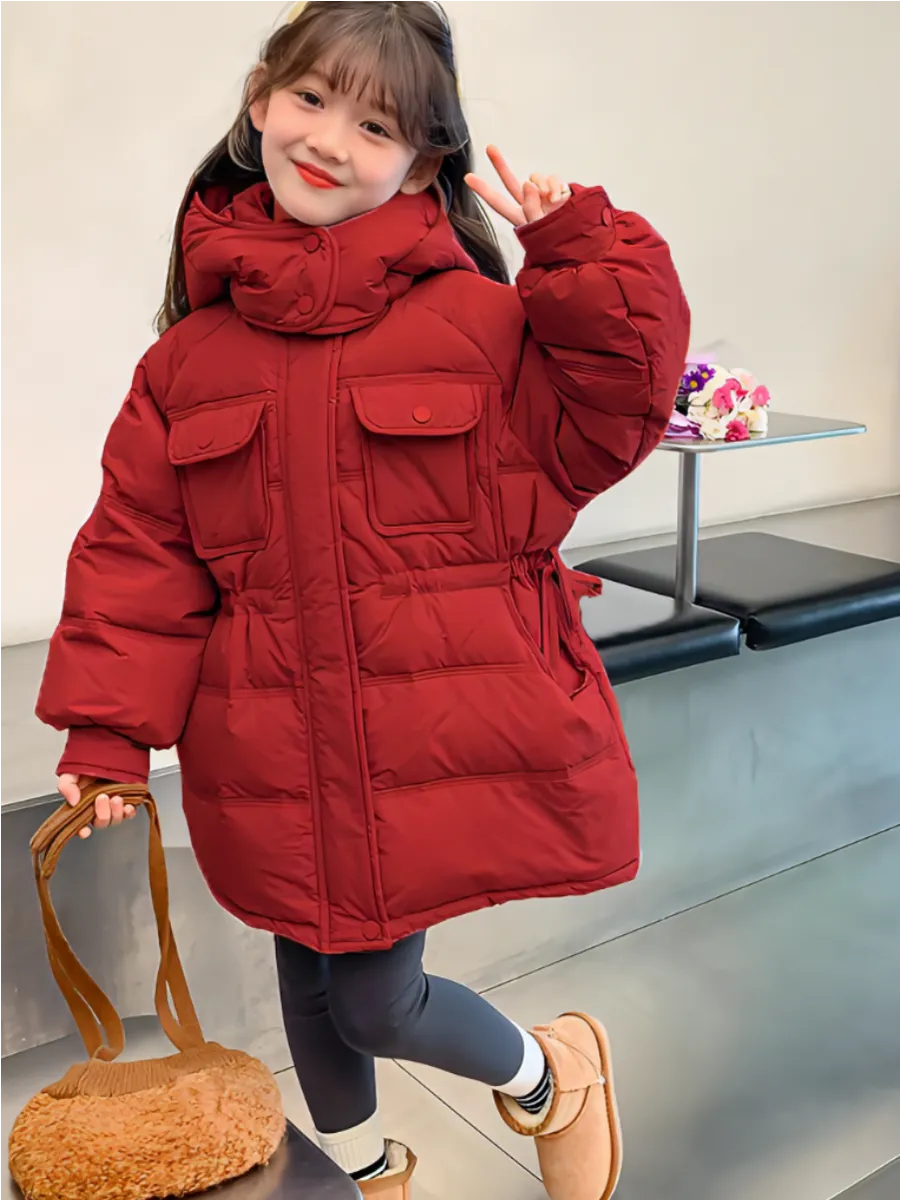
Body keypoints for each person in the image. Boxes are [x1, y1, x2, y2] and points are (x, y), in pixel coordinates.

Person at [36, 1, 690, 1196]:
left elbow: (617, 408)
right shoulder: (185, 363)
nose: (331, 140)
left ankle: (550, 1074)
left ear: (425, 164)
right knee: (309, 980)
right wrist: (108, 729)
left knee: (378, 1000)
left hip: (414, 740)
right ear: (260, 101)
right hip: (268, 746)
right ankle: (368, 1169)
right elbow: (140, 548)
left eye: (377, 124)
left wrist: (584, 254)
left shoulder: (483, 327)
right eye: (311, 98)